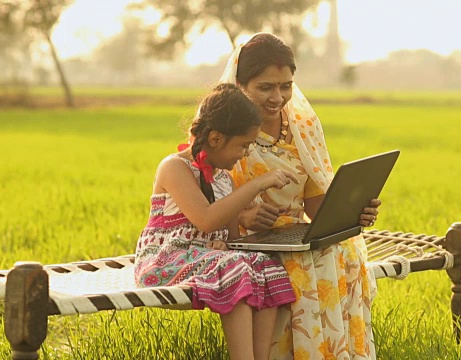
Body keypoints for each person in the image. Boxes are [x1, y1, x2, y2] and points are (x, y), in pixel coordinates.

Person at [220, 33, 381, 359]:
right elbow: (202, 205)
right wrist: (243, 216)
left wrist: (352, 213)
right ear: (239, 84)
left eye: (286, 86)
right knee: (308, 262)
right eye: (265, 87)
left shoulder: (303, 126)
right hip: (243, 242)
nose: (278, 97)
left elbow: (316, 205)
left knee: (340, 251)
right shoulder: (220, 128)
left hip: (294, 235)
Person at [134, 83, 300, 360]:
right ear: (214, 139)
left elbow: (232, 240)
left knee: (266, 266)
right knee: (236, 268)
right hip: (165, 262)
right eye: (243, 145)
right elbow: (207, 220)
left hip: (207, 262)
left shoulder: (224, 179)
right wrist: (257, 184)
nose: (245, 154)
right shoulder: (174, 167)